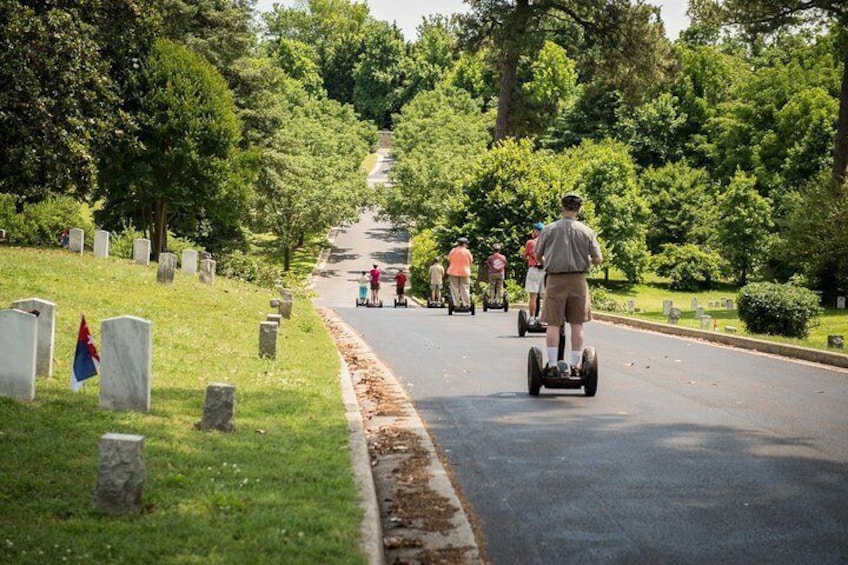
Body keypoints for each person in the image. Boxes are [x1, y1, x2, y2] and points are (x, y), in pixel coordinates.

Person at [534, 193, 603, 376]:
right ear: (579, 209)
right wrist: (584, 258)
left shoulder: (549, 229)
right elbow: (598, 259)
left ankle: (552, 364)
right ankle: (575, 365)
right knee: (577, 323)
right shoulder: (587, 231)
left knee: (553, 323)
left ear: (562, 207)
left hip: (555, 279)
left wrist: (547, 260)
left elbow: (537, 255)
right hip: (578, 280)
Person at [522, 222, 545, 321]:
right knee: (545, 296)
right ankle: (545, 318)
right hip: (546, 270)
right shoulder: (548, 243)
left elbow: (524, 255)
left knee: (533, 296)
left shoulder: (531, 243)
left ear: (536, 231)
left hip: (534, 270)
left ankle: (532, 318)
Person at [447, 237, 473, 307]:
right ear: (464, 244)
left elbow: (449, 259)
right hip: (465, 271)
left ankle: (456, 303)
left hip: (453, 271)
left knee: (454, 287)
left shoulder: (453, 250)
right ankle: (466, 303)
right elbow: (471, 260)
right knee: (465, 287)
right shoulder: (467, 251)